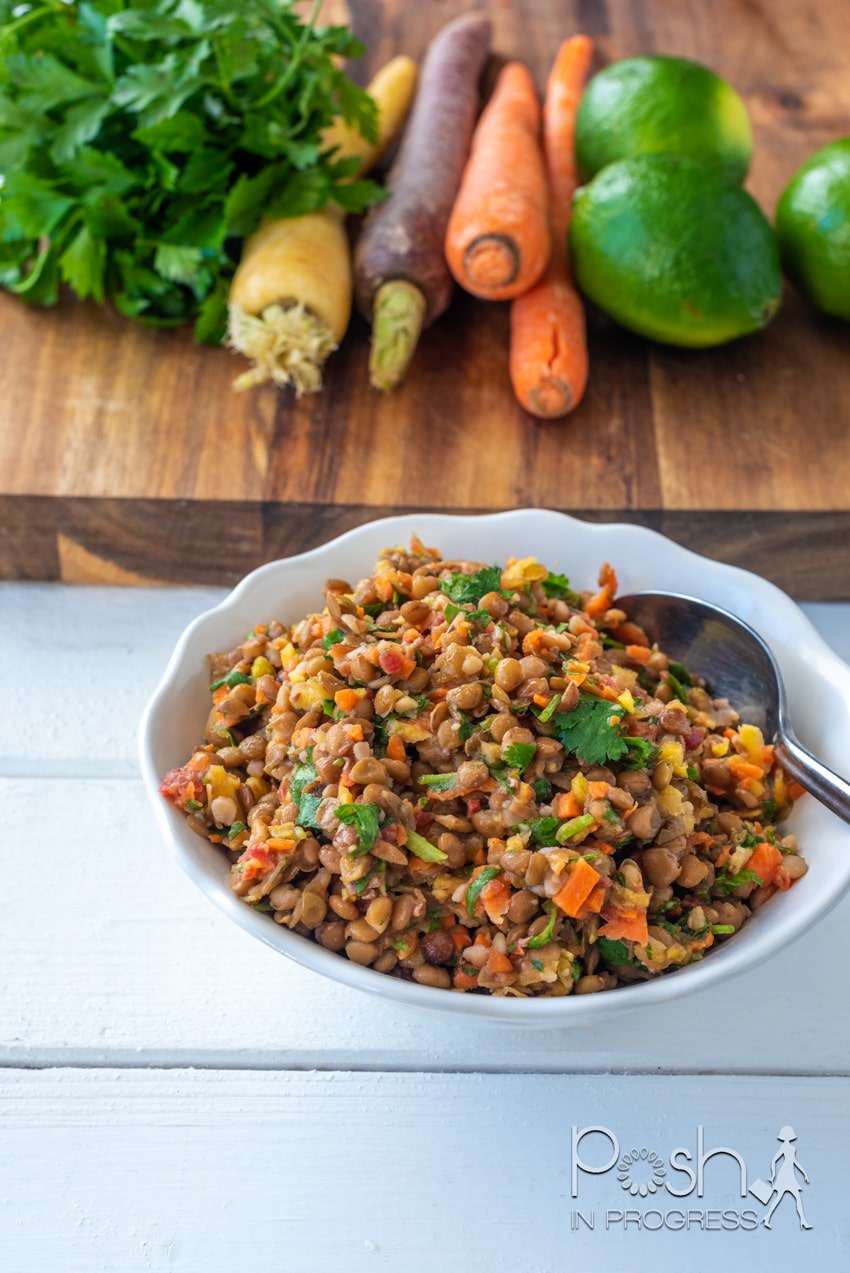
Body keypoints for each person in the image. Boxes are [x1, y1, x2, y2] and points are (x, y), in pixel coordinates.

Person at [763, 1126, 812, 1230]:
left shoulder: (792, 1148)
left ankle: (768, 1217)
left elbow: (794, 1162)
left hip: (789, 1174)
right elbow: (774, 1160)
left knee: (792, 1198)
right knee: (784, 1198)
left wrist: (804, 1174)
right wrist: (773, 1175)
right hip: (785, 1174)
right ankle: (802, 1220)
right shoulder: (784, 1147)